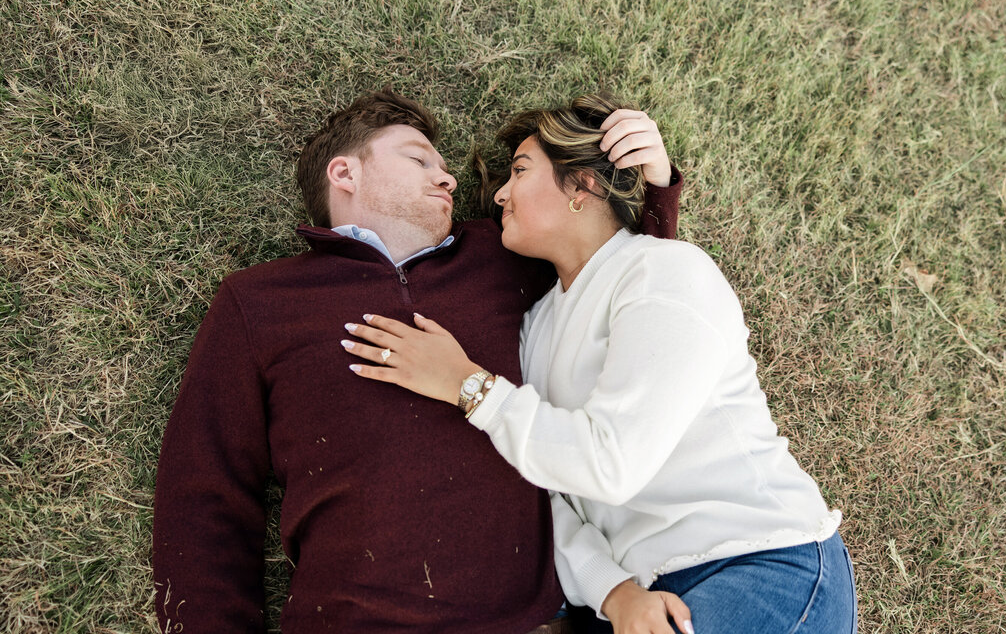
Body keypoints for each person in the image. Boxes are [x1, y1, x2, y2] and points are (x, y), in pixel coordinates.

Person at [152, 88, 682, 633]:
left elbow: (616, 283)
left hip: (524, 620)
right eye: (417, 158)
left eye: (445, 166)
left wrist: (655, 185)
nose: (447, 177)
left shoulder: (500, 260)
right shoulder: (261, 300)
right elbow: (204, 490)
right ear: (344, 174)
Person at [343, 93, 857, 634]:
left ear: (583, 187)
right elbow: (540, 490)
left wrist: (467, 384)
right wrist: (611, 591)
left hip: (757, 563)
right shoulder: (534, 325)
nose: (499, 194)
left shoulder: (667, 273)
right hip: (632, 599)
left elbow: (612, 464)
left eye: (520, 171)